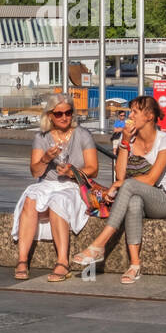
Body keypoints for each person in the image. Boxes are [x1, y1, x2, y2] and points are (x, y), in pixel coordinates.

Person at [72, 95, 166, 284]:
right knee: (134, 202)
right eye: (131, 111)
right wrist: (125, 142)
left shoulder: (165, 140)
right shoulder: (128, 137)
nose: (130, 116)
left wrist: (119, 185)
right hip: (141, 198)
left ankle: (99, 244)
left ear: (149, 116)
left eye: (135, 112)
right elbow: (120, 175)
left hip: (164, 199)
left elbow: (151, 179)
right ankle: (135, 265)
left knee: (128, 185)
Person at [11, 93, 99, 283]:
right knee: (30, 198)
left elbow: (93, 170)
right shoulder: (41, 137)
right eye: (59, 114)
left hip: (73, 185)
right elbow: (35, 172)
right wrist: (45, 159)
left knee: (58, 202)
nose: (64, 117)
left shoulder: (83, 135)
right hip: (47, 183)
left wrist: (71, 172)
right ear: (50, 115)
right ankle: (22, 259)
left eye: (68, 112)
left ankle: (62, 261)